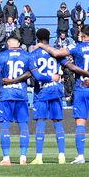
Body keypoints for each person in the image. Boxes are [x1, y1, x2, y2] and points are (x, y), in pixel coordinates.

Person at [37, 24, 89, 164]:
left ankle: (81, 156)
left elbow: (58, 53)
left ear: (82, 35)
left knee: (80, 123)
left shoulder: (76, 47)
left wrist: (42, 46)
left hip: (81, 89)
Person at [0, 35, 32, 166]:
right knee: (23, 125)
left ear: (8, 44)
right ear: (19, 43)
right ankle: (23, 158)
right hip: (21, 93)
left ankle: (6, 158)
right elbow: (32, 73)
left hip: (7, 94)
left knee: (5, 126)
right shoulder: (27, 56)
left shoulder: (2, 56)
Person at [28, 29, 66, 165]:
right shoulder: (56, 52)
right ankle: (62, 156)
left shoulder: (33, 55)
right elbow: (67, 65)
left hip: (42, 91)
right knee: (58, 122)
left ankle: (39, 157)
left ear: (37, 39)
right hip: (55, 90)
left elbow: (35, 75)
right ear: (49, 38)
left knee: (41, 122)